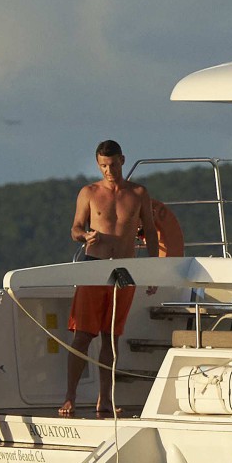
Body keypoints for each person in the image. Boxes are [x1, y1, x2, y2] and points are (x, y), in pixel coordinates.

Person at [62, 140, 157, 418]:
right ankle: (70, 396)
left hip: (125, 269)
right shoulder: (89, 192)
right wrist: (85, 236)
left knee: (111, 338)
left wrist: (152, 269)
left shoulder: (138, 193)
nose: (109, 170)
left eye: (113, 164)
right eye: (103, 165)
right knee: (82, 335)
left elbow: (150, 231)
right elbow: (75, 229)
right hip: (94, 266)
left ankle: (105, 398)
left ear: (123, 160)